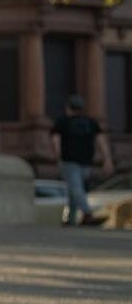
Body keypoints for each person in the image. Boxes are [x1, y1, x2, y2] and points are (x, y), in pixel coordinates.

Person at [49, 94, 116, 226]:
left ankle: (87, 214)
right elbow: (101, 142)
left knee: (75, 189)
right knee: (75, 188)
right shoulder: (91, 123)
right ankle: (71, 218)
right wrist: (107, 160)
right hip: (86, 162)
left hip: (69, 160)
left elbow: (55, 140)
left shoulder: (62, 122)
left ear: (68, 108)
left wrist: (57, 157)